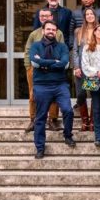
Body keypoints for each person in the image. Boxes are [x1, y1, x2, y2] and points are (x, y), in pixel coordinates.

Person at [29, 21, 76, 159]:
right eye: (48, 29)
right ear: (43, 31)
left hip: (60, 85)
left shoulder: (62, 46)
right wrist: (55, 62)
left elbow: (65, 64)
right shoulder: (36, 46)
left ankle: (68, 135)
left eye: (53, 30)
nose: (51, 31)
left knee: (68, 110)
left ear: (56, 32)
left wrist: (44, 63)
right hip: (42, 85)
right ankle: (40, 147)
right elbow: (34, 62)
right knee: (41, 117)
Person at [24, 8, 64, 133]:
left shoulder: (58, 33)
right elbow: (28, 51)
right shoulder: (34, 34)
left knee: (53, 94)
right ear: (39, 18)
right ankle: (33, 119)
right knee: (33, 94)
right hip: (35, 69)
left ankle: (53, 119)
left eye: (47, 15)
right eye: (42, 16)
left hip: (53, 69)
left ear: (51, 17)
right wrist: (28, 66)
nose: (44, 18)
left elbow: (62, 50)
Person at [73, 7, 98, 131]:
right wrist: (76, 66)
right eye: (87, 14)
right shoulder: (78, 31)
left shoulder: (99, 30)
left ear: (95, 15)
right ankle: (84, 120)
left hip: (94, 68)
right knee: (81, 94)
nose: (89, 16)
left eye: (91, 13)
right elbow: (76, 50)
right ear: (84, 17)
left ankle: (92, 121)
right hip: (81, 68)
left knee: (94, 93)